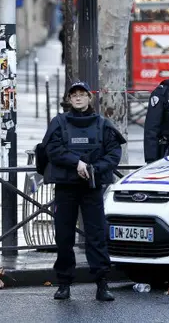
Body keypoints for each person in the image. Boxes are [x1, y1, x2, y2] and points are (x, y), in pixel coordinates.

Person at [42, 82, 126, 301]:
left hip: (92, 187)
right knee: (64, 236)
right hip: (66, 187)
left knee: (97, 235)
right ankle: (63, 284)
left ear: (90, 98)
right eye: (74, 95)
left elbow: (114, 153)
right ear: (69, 99)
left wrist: (93, 169)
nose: (78, 98)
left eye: (82, 94)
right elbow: (53, 149)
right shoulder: (59, 122)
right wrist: (77, 163)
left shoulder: (102, 124)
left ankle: (102, 283)